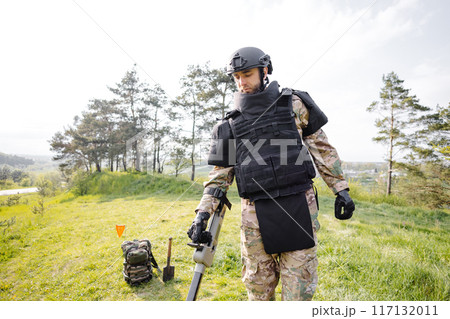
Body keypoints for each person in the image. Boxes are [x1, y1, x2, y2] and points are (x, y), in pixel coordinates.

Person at [188, 47, 355, 301]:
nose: (241, 82)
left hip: (298, 209)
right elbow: (219, 176)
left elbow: (322, 150)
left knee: (298, 296)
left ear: (264, 71)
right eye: (236, 77)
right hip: (255, 222)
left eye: (247, 74)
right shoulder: (229, 125)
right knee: (259, 296)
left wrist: (340, 189)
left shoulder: (294, 105)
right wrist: (202, 215)